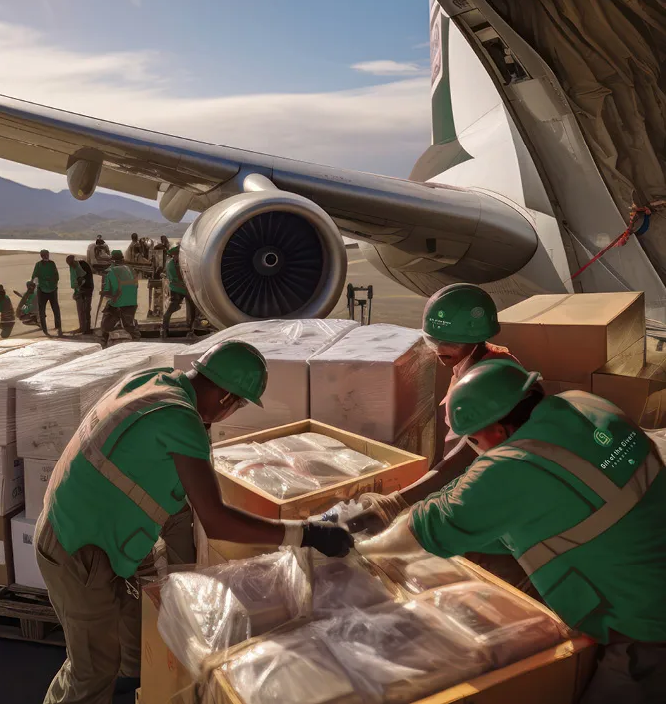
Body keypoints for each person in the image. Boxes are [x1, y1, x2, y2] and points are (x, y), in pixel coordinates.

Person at [36, 340, 354, 704]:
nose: (232, 413)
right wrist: (306, 533)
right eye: (238, 404)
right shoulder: (180, 419)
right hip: (77, 549)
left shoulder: (156, 381)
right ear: (225, 398)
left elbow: (172, 494)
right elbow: (217, 520)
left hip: (84, 529)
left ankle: (125, 688)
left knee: (130, 647)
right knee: (93, 669)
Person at [356, 359, 666, 703]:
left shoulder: (514, 465)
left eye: (473, 440)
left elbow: (430, 528)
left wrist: (363, 549)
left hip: (646, 625)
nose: (474, 449)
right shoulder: (584, 405)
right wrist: (404, 505)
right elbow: (476, 488)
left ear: (498, 432)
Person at [348, 284, 520, 533]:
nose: (439, 350)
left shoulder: (490, 380)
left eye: (449, 342)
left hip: (484, 494)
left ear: (474, 338)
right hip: (461, 484)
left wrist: (397, 502)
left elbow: (464, 457)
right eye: (434, 340)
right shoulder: (468, 364)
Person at [98, 250, 140, 348]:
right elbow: (136, 285)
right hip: (132, 302)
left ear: (112, 260)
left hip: (118, 302)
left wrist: (103, 292)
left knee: (105, 323)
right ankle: (137, 341)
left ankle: (103, 343)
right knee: (129, 324)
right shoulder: (131, 269)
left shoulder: (111, 272)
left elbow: (110, 290)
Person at [161, 246, 198, 338]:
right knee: (172, 308)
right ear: (175, 255)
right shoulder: (171, 265)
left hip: (182, 288)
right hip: (177, 289)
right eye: (178, 254)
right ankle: (164, 329)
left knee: (192, 307)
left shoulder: (178, 263)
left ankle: (191, 326)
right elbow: (177, 279)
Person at [31, 249, 63, 337]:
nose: (46, 256)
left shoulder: (52, 263)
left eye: (47, 255)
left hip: (52, 289)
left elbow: (57, 276)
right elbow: (34, 276)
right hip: (42, 290)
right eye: (44, 255)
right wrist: (34, 284)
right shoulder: (38, 265)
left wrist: (53, 283)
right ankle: (45, 330)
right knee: (41, 311)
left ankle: (58, 328)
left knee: (56, 309)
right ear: (41, 256)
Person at [66, 254, 94, 334]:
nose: (70, 266)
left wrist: (79, 290)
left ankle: (87, 329)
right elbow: (75, 279)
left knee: (86, 309)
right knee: (81, 309)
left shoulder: (82, 265)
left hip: (87, 289)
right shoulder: (74, 266)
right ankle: (82, 327)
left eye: (71, 264)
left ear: (74, 261)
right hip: (80, 289)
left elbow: (83, 279)